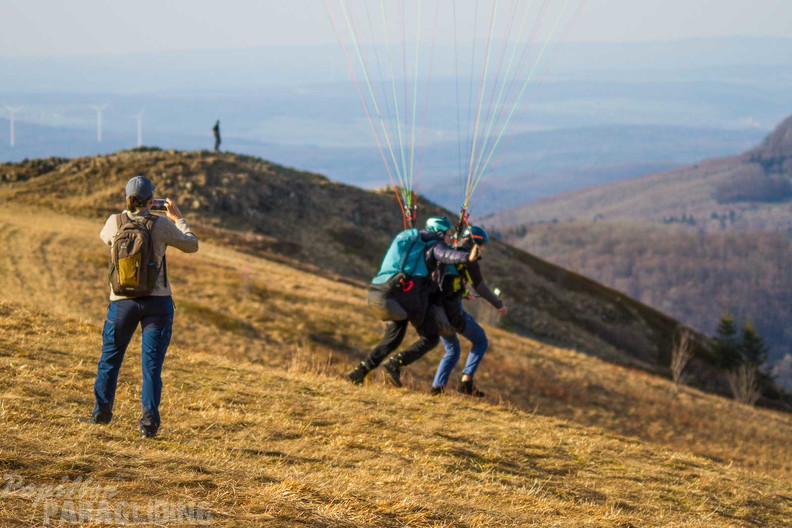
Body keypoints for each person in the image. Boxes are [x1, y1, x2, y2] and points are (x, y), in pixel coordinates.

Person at [83, 175, 198, 438]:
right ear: (151, 200)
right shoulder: (160, 224)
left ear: (126, 199)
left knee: (110, 360)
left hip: (121, 302)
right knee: (151, 367)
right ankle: (148, 426)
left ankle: (101, 415)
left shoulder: (114, 222)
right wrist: (178, 219)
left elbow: (107, 240)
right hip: (157, 304)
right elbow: (192, 245)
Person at [346, 217, 480, 387]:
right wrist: (468, 257)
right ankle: (395, 364)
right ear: (439, 232)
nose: (450, 238)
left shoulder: (413, 241)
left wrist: (462, 292)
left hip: (388, 292)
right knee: (430, 338)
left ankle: (359, 372)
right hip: (410, 297)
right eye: (448, 234)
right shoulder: (434, 244)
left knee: (392, 340)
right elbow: (446, 255)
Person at [430, 225, 507, 397]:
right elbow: (480, 287)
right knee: (480, 340)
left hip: (436, 311)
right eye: (482, 246)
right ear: (475, 244)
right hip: (452, 313)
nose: (482, 250)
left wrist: (464, 293)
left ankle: (437, 388)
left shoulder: (448, 252)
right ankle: (466, 381)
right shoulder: (468, 260)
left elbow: (448, 282)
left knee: (453, 350)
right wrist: (498, 305)